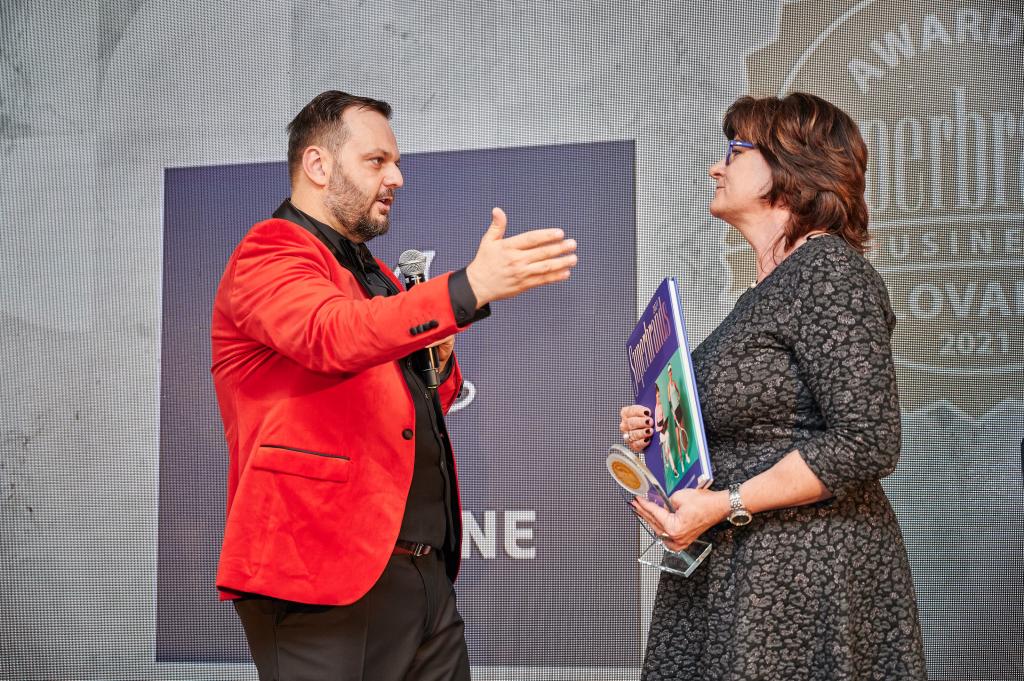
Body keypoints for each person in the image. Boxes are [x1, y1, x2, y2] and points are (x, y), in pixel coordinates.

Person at [211, 90, 577, 681]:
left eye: (396, 163)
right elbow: (332, 334)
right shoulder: (270, 250)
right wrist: (466, 289)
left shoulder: (376, 273)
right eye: (377, 161)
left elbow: (418, 399)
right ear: (318, 165)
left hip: (422, 576)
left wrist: (439, 359)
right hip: (320, 575)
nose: (397, 178)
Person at [619, 92, 927, 680]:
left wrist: (726, 504)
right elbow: (746, 427)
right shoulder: (764, 293)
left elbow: (867, 440)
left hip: (802, 576)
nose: (716, 167)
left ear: (789, 168)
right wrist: (661, 431)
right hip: (733, 570)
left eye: (734, 152)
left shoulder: (829, 270)